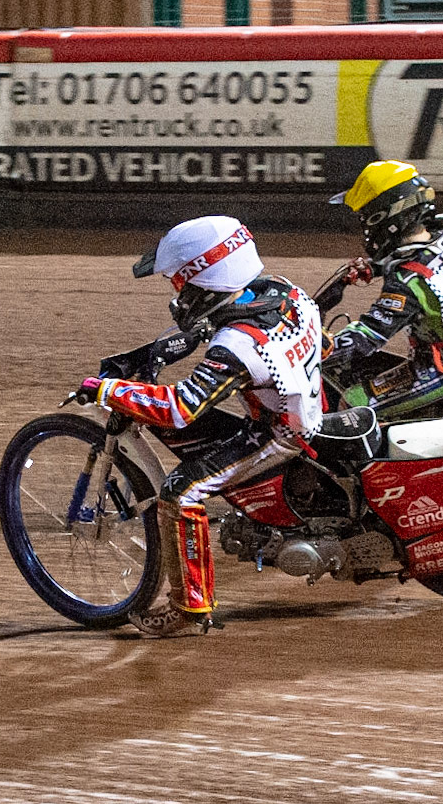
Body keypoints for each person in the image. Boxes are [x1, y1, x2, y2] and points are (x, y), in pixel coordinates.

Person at [71, 215, 323, 637]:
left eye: (178, 284)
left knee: (179, 491)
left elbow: (178, 409)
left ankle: (190, 610)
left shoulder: (238, 346)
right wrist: (150, 353)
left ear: (204, 280)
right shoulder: (281, 292)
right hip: (306, 401)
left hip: (279, 435)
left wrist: (108, 390)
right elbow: (208, 327)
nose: (176, 295)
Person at [322, 160, 443, 415]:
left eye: (365, 217)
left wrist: (320, 346)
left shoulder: (407, 283)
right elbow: (429, 259)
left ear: (386, 216)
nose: (364, 225)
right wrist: (377, 266)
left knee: (355, 403)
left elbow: (368, 336)